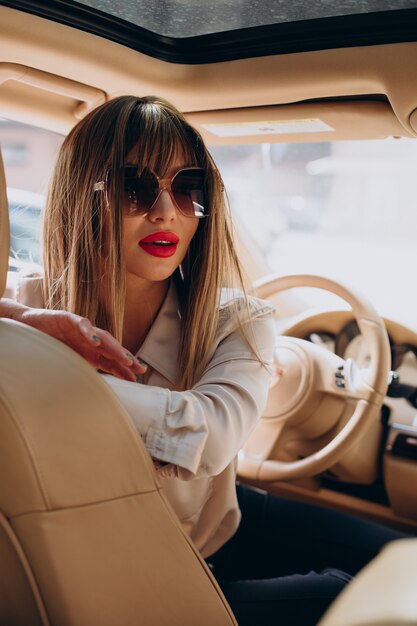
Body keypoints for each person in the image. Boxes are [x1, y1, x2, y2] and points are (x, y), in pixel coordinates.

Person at [1, 96, 407, 626]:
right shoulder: (27, 308)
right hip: (114, 576)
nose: (166, 210)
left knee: (403, 561)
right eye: (135, 188)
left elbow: (209, 438)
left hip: (211, 532)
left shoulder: (240, 319)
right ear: (81, 198)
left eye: (188, 188)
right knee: (349, 593)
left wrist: (43, 373)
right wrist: (24, 327)